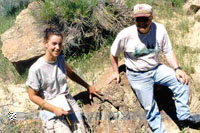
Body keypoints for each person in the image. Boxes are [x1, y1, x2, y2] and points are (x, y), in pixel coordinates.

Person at [108, 3, 200, 133]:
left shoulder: (160, 29)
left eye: (144, 19)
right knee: (150, 107)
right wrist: (115, 71)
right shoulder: (126, 34)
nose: (141, 23)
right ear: (134, 19)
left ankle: (184, 117)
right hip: (138, 75)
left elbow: (168, 51)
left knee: (182, 81)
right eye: (138, 19)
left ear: (151, 17)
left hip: (156, 69)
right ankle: (160, 131)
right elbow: (113, 53)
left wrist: (177, 68)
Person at [26, 27, 100, 133]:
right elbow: (32, 96)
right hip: (49, 106)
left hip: (67, 100)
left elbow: (71, 74)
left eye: (60, 44)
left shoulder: (60, 59)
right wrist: (53, 109)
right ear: (45, 43)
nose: (57, 47)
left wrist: (88, 86)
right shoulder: (36, 68)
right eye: (54, 43)